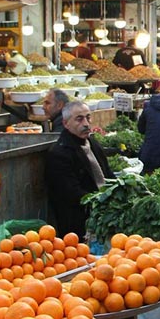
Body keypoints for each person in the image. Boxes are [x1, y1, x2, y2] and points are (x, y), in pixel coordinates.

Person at [45, 101, 114, 238]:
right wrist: (101, 203)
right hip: (78, 226)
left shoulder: (93, 144)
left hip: (102, 215)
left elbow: (108, 174)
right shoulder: (60, 153)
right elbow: (73, 194)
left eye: (88, 117)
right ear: (66, 124)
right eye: (79, 119)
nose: (86, 123)